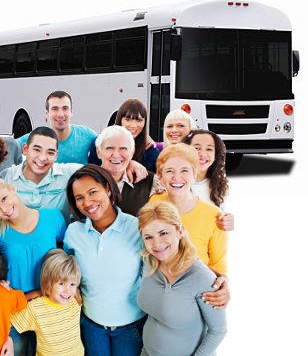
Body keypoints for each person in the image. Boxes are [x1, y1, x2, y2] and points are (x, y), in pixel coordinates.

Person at [64, 164, 145, 356]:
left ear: (108, 189)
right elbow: (68, 267)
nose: (88, 202)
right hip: (91, 325)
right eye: (79, 198)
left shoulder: (137, 228)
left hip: (131, 326)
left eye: (93, 192)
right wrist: (72, 285)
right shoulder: (73, 232)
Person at [0, 177, 67, 355]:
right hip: (17, 308)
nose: (3, 209)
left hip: (51, 305)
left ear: (12, 189)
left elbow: (67, 257)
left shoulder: (53, 217)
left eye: (3, 199)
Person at [137, 201, 227, 356]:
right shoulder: (150, 264)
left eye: (163, 233)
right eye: (148, 237)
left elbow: (218, 330)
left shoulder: (203, 278)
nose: (156, 243)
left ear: (179, 231)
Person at [149, 143, 229, 281]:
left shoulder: (214, 216)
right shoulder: (154, 203)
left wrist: (223, 284)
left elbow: (219, 269)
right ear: (160, 177)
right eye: (169, 171)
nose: (176, 177)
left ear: (194, 174)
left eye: (184, 170)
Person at [0, 126, 82, 223]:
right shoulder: (6, 177)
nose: (43, 158)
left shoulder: (67, 173)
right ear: (25, 149)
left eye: (50, 153)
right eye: (37, 150)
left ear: (56, 155)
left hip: (57, 237)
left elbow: (97, 174)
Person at [11, 249, 84, 356]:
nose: (68, 290)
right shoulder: (35, 308)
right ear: (48, 283)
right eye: (61, 284)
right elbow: (10, 322)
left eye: (72, 284)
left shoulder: (75, 301)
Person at [96, 125, 163, 217]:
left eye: (123, 149)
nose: (116, 155)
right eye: (110, 148)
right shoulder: (87, 180)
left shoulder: (151, 182)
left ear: (132, 152)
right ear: (98, 152)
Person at [16, 91, 97, 164]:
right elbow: (8, 148)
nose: (60, 115)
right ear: (47, 113)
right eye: (55, 109)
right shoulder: (35, 138)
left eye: (65, 108)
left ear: (71, 112)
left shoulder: (86, 135)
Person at [184, 130, 234, 231]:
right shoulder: (173, 182)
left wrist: (228, 222)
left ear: (216, 155)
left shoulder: (220, 186)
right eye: (196, 148)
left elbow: (220, 221)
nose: (202, 154)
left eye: (209, 149)